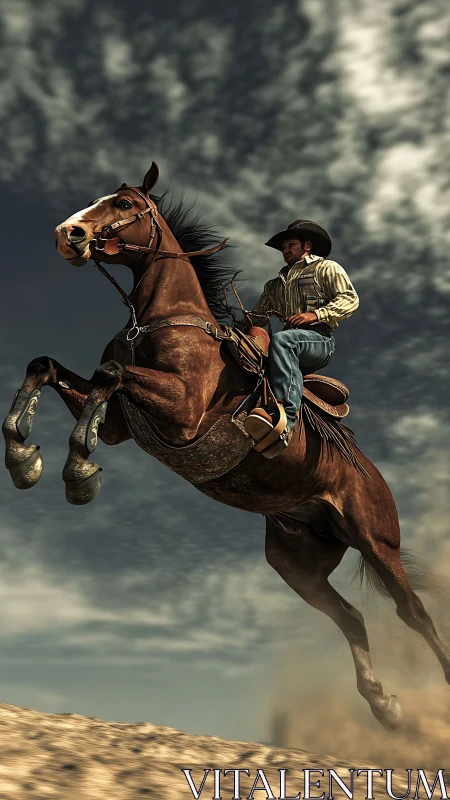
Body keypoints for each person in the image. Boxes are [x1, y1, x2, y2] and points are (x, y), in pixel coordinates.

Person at [243, 220, 359, 458]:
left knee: (285, 341)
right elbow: (256, 317)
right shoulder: (275, 285)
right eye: (283, 246)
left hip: (319, 339)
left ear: (307, 246)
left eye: (291, 244)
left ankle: (285, 419)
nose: (285, 249)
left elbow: (349, 298)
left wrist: (315, 314)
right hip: (290, 341)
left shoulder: (326, 268)